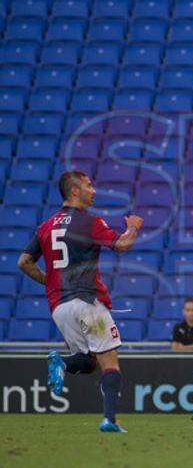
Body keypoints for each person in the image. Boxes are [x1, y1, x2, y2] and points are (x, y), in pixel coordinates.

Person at [17, 170, 143, 432]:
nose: (93, 190)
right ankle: (109, 420)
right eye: (88, 186)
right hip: (88, 305)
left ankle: (63, 363)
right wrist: (133, 226)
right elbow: (121, 245)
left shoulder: (45, 227)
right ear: (74, 191)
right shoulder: (90, 222)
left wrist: (49, 282)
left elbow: (24, 262)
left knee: (87, 360)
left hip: (60, 309)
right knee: (110, 363)